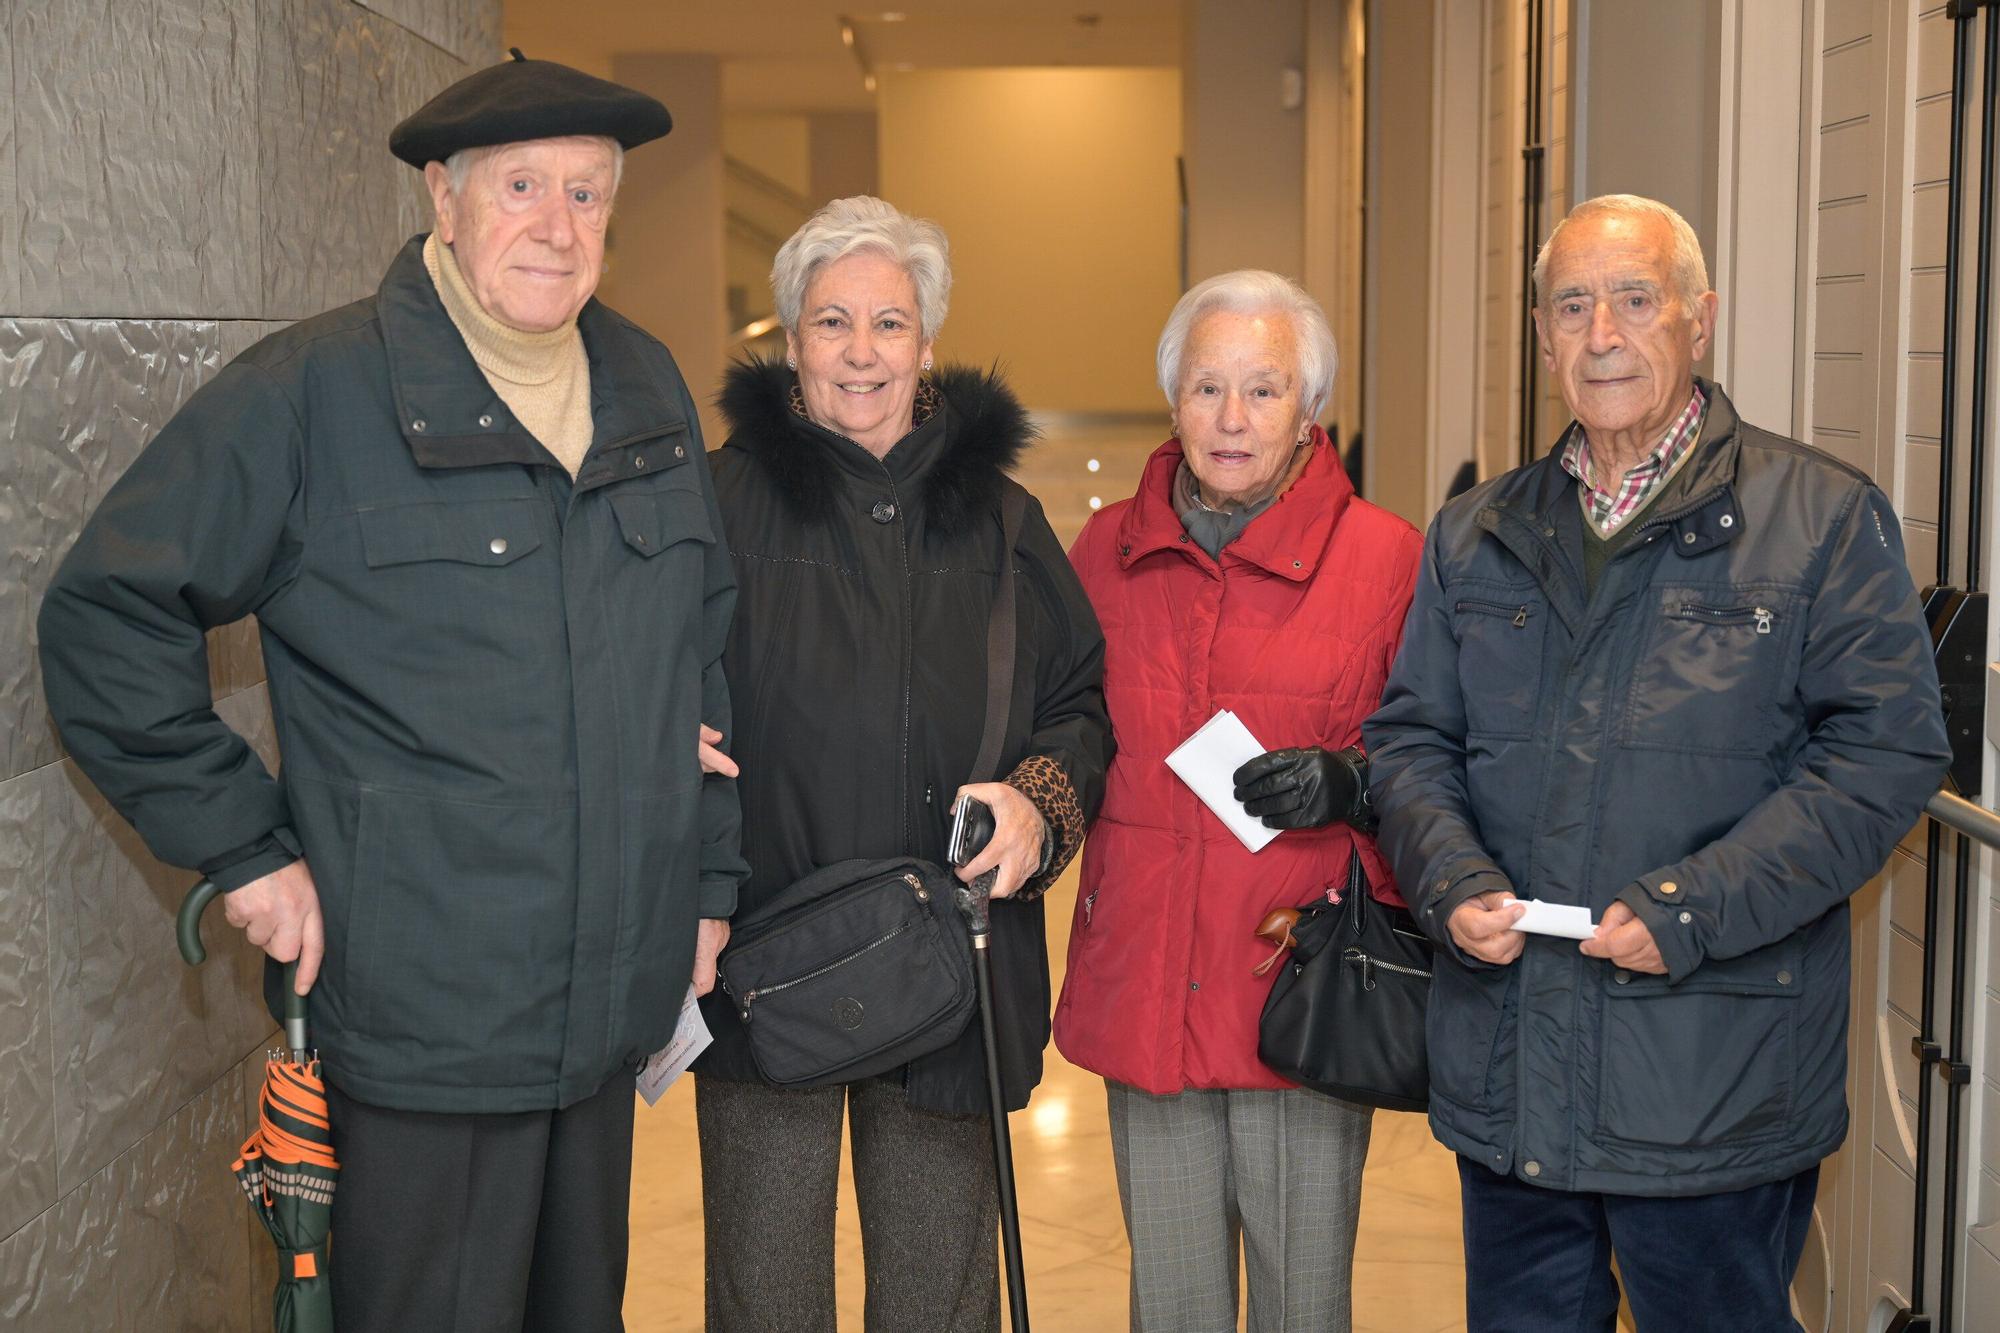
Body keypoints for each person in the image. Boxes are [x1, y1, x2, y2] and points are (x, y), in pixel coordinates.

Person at [36, 53, 745, 1332]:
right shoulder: (314, 393)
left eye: (587, 194)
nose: (557, 223)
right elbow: (105, 611)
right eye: (522, 186)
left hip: (609, 1007)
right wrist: (243, 851)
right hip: (425, 1016)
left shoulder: (644, 384)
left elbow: (699, 657)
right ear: (444, 197)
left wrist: (704, 889)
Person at [1363, 194, 1952, 1332]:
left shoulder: (1819, 519)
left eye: (1634, 301)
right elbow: (1411, 739)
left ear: (1698, 319)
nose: (1601, 335)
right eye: (1571, 306)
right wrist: (1446, 876)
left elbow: (1883, 754)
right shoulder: (1472, 530)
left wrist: (1688, 905)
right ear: (1540, 337)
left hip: (1708, 1077)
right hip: (1512, 1074)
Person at [694, 195, 1112, 1332]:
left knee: (939, 1298)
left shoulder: (1004, 523)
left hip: (948, 966)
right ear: (790, 344)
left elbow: (1079, 706)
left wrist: (1037, 808)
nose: (862, 350)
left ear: (928, 345)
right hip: (762, 961)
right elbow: (655, 701)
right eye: (833, 322)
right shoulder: (716, 506)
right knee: (764, 1293)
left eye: (889, 322)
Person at [1056, 270, 1423, 1332]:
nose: (1229, 418)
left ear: (1309, 409)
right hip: (1148, 983)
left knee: (1303, 1307)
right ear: (1171, 400)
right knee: (1167, 1305)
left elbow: (1440, 761)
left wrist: (1350, 784)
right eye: (1205, 387)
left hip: (1300, 997)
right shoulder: (1100, 557)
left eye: (1262, 390)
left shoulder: (1387, 560)